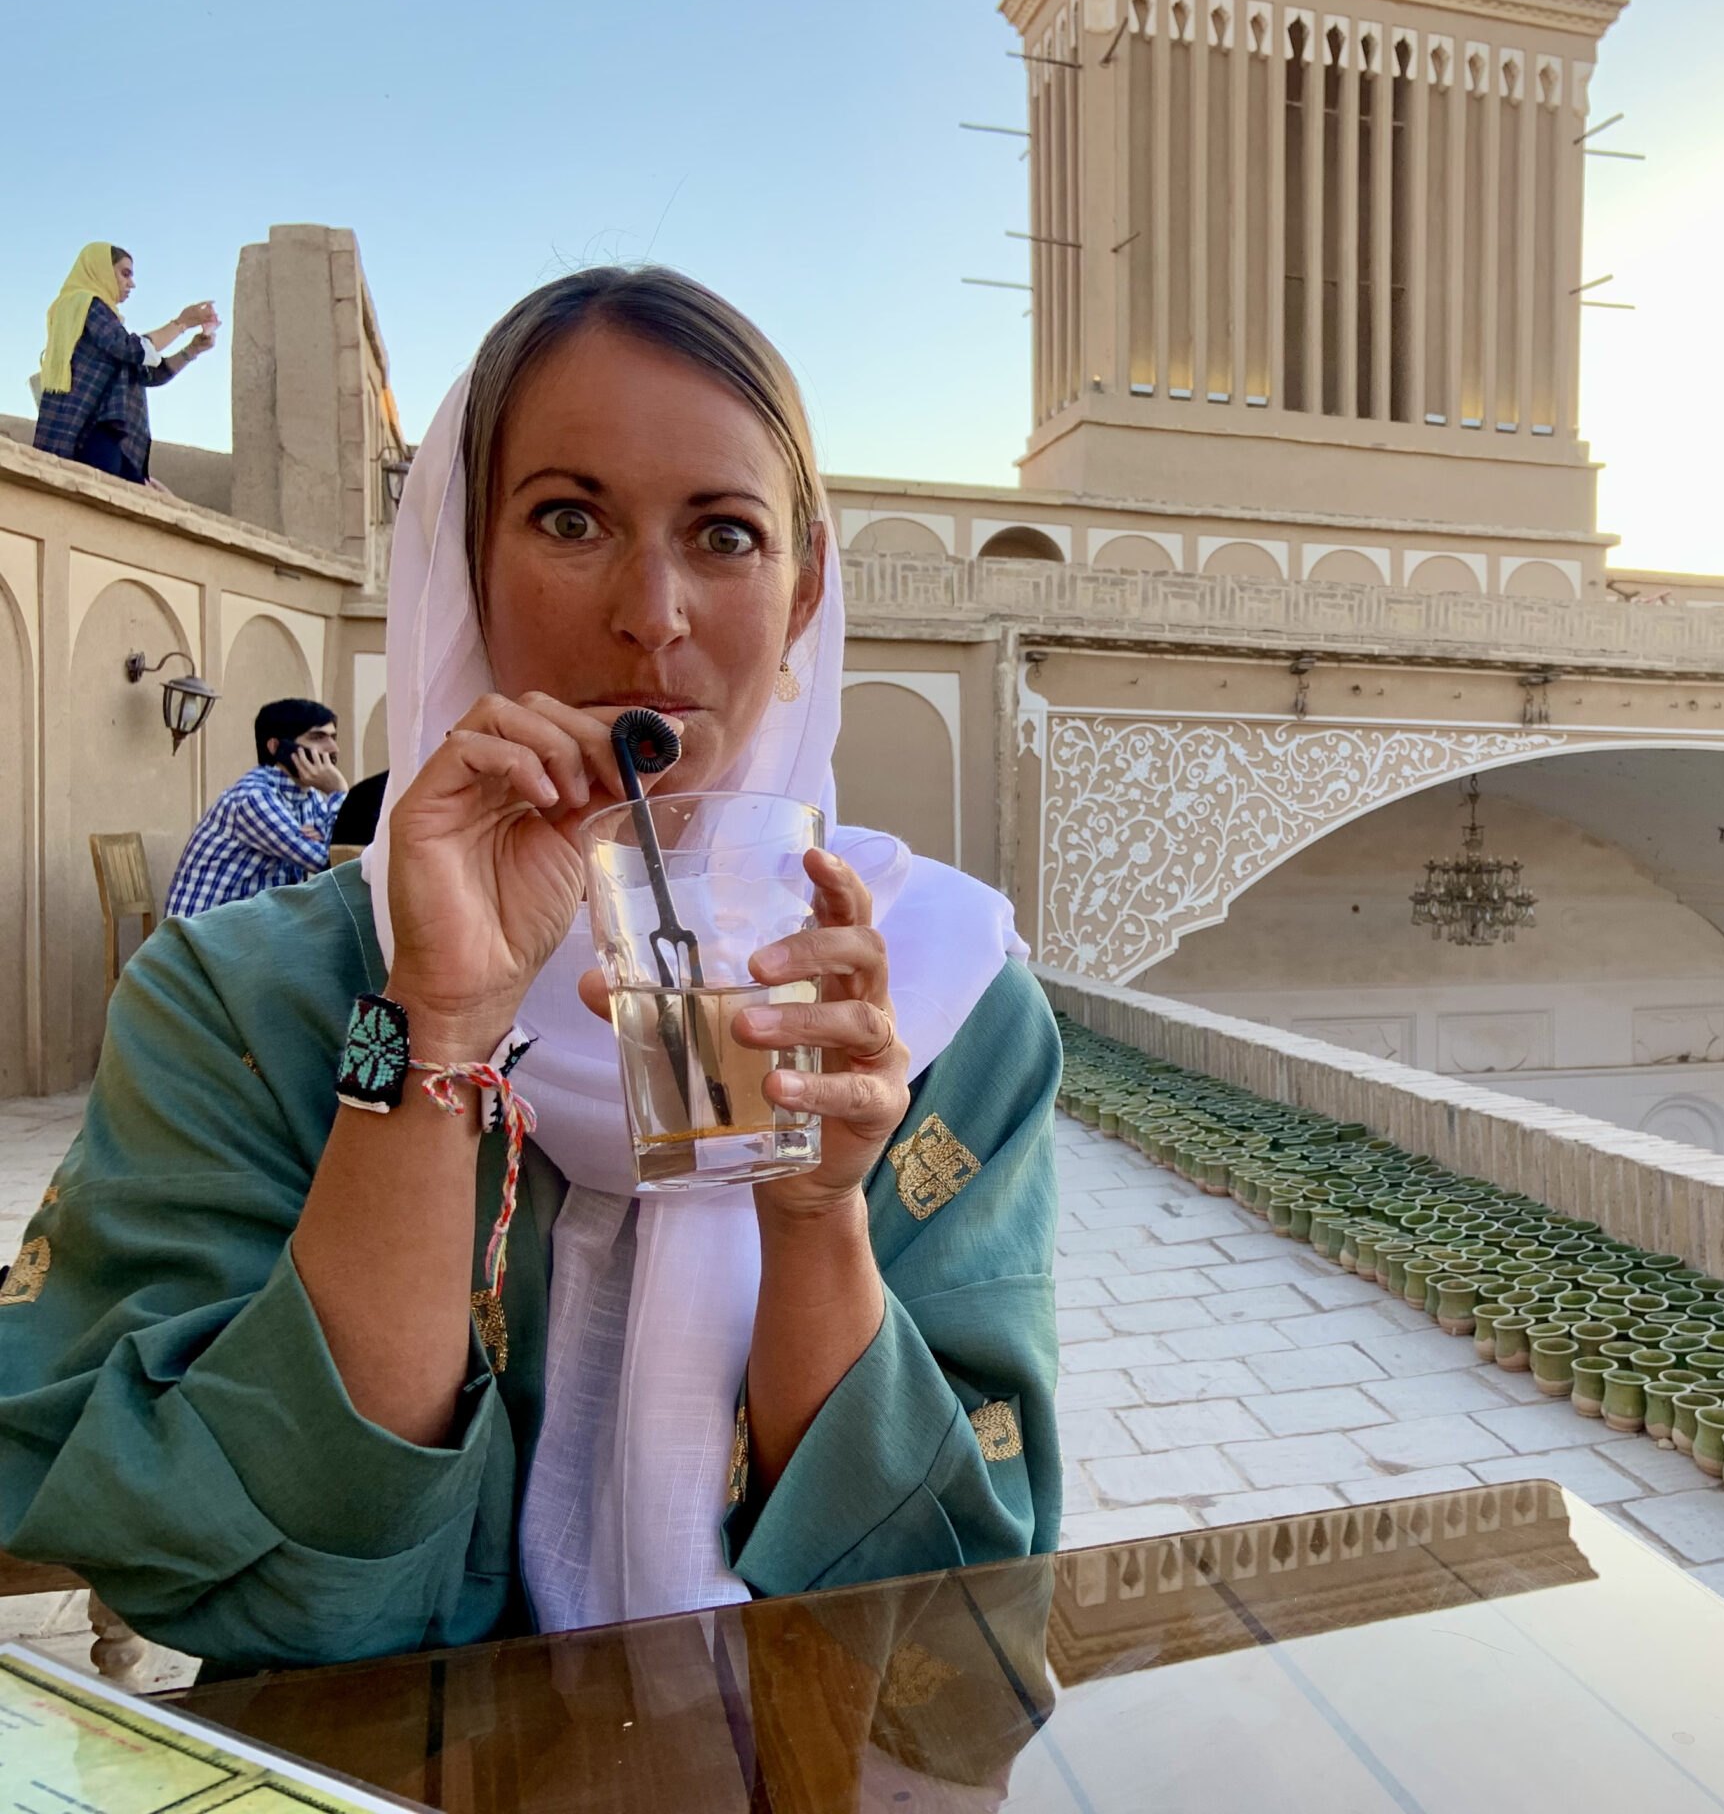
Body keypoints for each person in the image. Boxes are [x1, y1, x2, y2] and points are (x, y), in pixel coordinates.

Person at [0, 267, 1059, 1672]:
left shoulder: (936, 1007)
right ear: (464, 562)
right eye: (570, 520)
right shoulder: (244, 1001)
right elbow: (225, 1579)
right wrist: (431, 1033)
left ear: (802, 594)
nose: (654, 612)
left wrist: (817, 1220)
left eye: (726, 535)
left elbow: (954, 1603)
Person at [31, 243, 218, 488]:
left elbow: (148, 373)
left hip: (116, 436)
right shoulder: (85, 305)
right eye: (125, 273)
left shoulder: (105, 322)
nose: (131, 284)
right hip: (91, 432)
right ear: (100, 270)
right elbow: (130, 348)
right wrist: (181, 323)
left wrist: (191, 350)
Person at [164, 700, 350, 915]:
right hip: (203, 936)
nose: (333, 748)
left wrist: (326, 840)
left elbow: (340, 851)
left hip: (252, 928)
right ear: (276, 747)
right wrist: (339, 791)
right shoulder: (253, 797)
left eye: (333, 738)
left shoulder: (310, 798)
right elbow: (327, 863)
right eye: (318, 737)